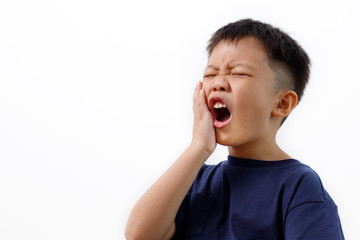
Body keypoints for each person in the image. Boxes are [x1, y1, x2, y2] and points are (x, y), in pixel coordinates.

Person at [125, 19, 345, 240]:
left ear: (281, 103)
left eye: (238, 73)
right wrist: (198, 147)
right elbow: (139, 235)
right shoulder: (196, 181)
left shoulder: (299, 185)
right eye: (210, 75)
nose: (218, 83)